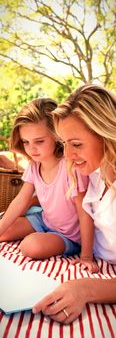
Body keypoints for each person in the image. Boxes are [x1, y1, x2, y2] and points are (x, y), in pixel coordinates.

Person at [32, 83, 116, 323]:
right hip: (88, 263)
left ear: (108, 135)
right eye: (64, 143)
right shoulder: (96, 174)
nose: (67, 155)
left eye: (76, 144)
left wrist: (86, 289)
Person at [0, 97, 97, 268]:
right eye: (25, 142)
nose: (31, 149)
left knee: (30, 246)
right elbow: (20, 200)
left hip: (69, 235)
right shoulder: (34, 165)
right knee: (4, 230)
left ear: (57, 136)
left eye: (39, 141)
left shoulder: (71, 167)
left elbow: (85, 212)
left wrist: (87, 256)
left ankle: (54, 242)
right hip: (44, 221)